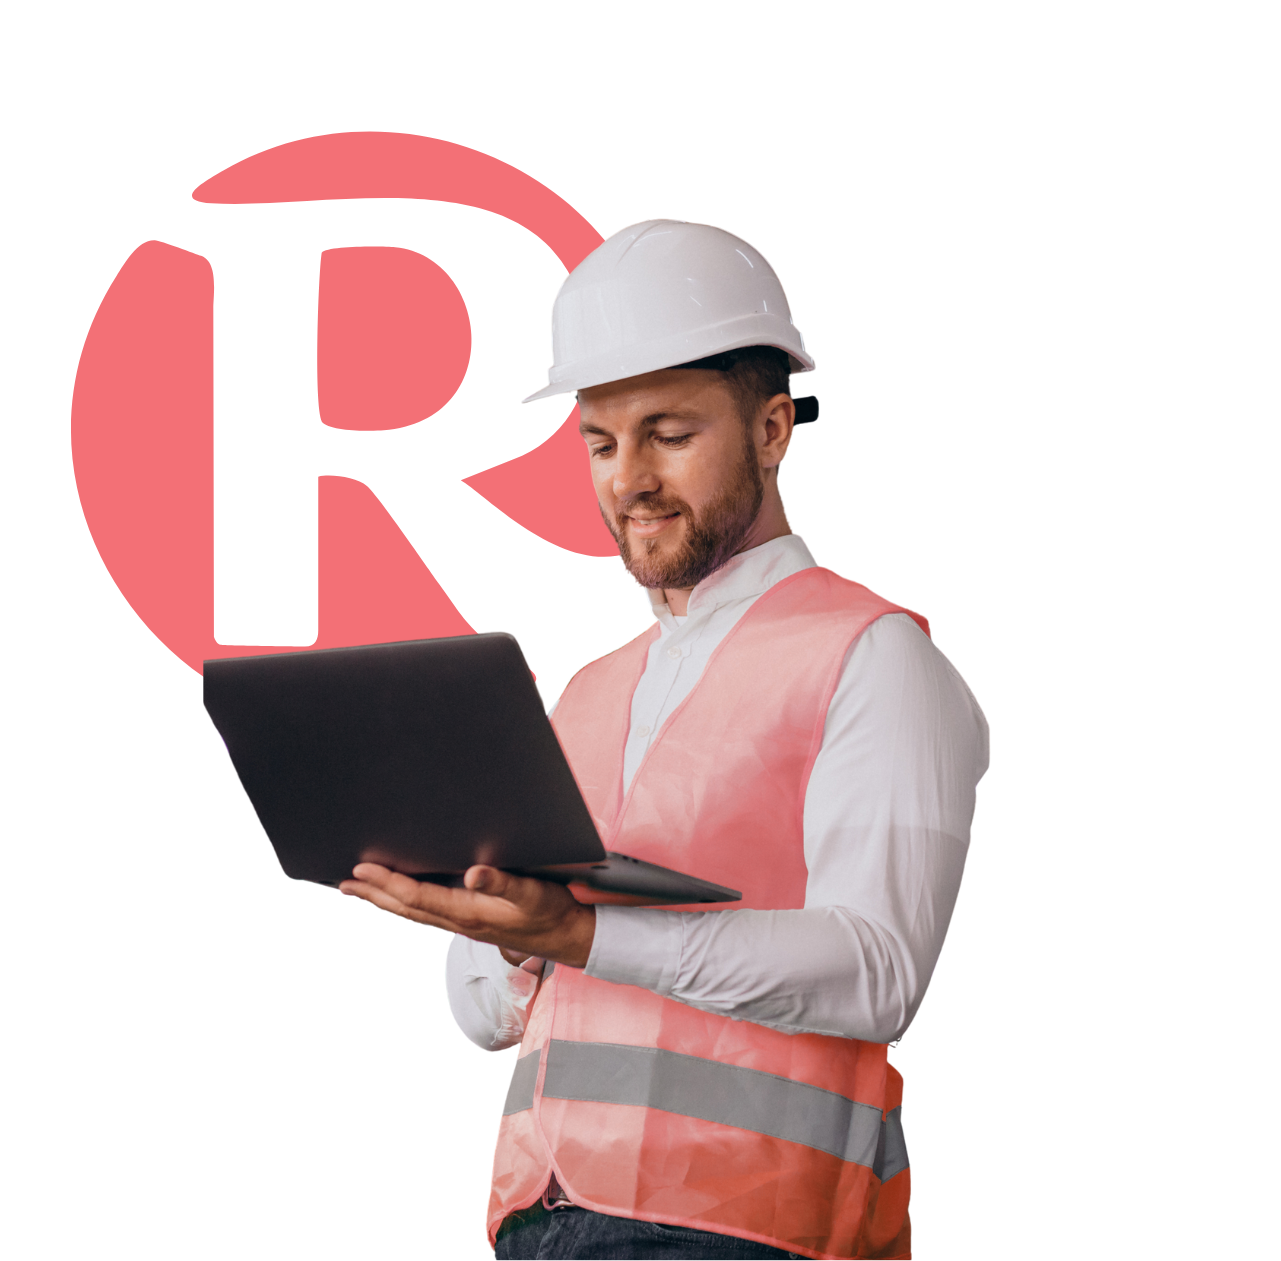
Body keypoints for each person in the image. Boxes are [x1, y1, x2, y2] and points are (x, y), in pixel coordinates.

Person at [342, 218, 991, 1257]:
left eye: (669, 433)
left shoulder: (874, 656)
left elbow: (880, 972)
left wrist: (579, 933)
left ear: (774, 427)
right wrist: (508, 934)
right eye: (601, 440)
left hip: (752, 1230)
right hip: (539, 1215)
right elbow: (479, 1012)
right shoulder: (582, 693)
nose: (627, 476)